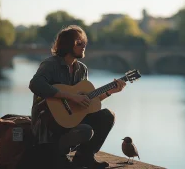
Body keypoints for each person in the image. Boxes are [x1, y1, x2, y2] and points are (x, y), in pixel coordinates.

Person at [28, 25, 126, 169]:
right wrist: (70, 96)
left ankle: (84, 157)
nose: (84, 45)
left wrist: (109, 92)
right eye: (79, 43)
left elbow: (87, 102)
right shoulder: (50, 65)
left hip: (71, 120)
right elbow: (35, 84)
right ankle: (58, 156)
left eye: (84, 42)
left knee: (107, 116)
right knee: (85, 130)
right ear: (67, 45)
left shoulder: (82, 69)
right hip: (49, 124)